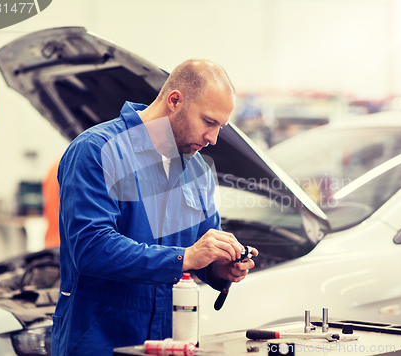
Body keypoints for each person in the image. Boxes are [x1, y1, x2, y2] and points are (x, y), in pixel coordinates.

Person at [51, 59, 258, 356]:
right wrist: (185, 257)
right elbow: (91, 248)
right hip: (99, 340)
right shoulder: (97, 150)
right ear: (175, 100)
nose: (213, 139)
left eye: (220, 127)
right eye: (209, 122)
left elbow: (201, 249)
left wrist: (220, 268)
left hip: (169, 342)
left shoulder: (198, 169)